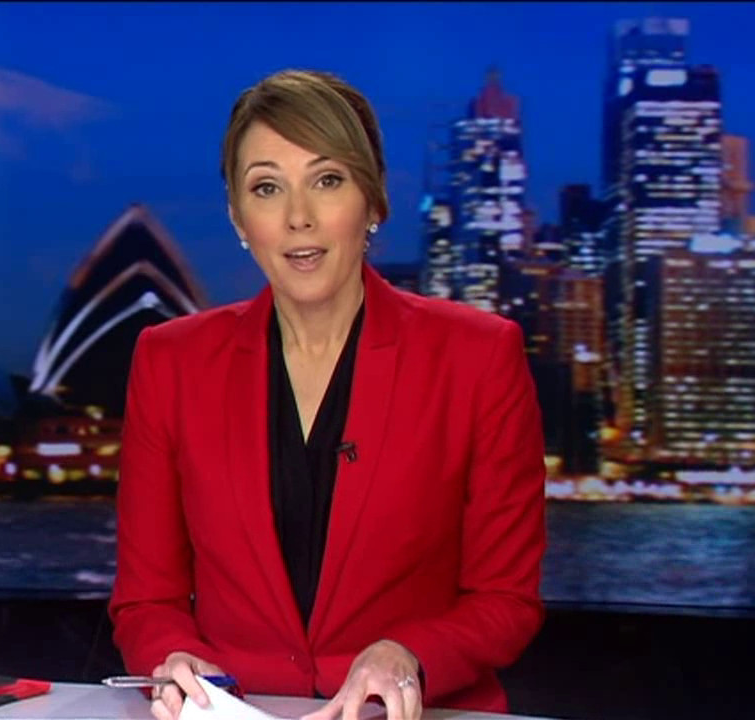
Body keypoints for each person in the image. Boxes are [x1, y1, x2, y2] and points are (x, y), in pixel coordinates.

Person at [109, 69, 546, 720]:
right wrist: (174, 658)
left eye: (328, 180)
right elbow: (147, 600)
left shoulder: (479, 357)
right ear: (237, 216)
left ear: (373, 201)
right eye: (266, 188)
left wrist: (409, 655)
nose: (298, 218)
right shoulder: (170, 361)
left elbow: (506, 600)